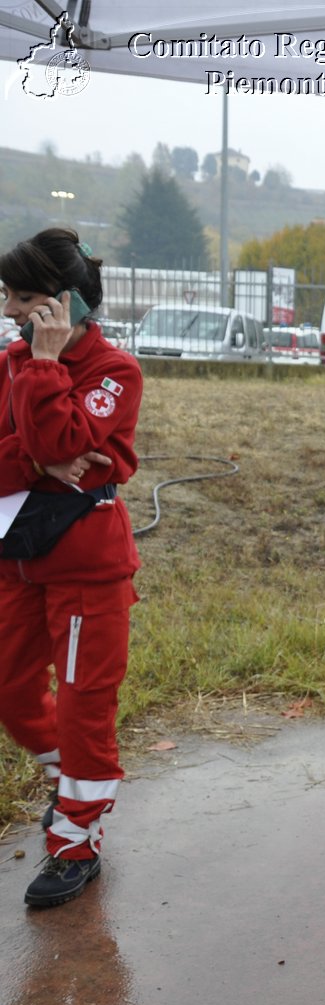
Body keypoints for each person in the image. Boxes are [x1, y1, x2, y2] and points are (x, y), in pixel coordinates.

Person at [0, 228, 142, 908]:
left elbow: (63, 439)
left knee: (85, 704)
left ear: (64, 304)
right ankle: (68, 778)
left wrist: (44, 370)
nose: (8, 311)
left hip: (88, 566)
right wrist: (35, 462)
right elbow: (46, 451)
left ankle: (76, 841)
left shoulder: (116, 372)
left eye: (22, 298)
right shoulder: (8, 363)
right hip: (18, 559)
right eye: (5, 295)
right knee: (11, 688)